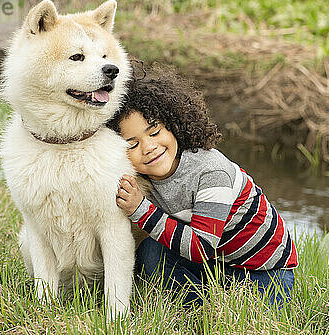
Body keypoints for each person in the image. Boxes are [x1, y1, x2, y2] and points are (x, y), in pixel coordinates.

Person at [107, 64, 298, 308]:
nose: (149, 147)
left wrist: (141, 211)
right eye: (132, 144)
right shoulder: (142, 177)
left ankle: (218, 306)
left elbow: (201, 247)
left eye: (154, 132)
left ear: (173, 123)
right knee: (150, 254)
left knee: (246, 316)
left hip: (263, 271)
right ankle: (200, 304)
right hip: (216, 263)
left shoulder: (211, 171)